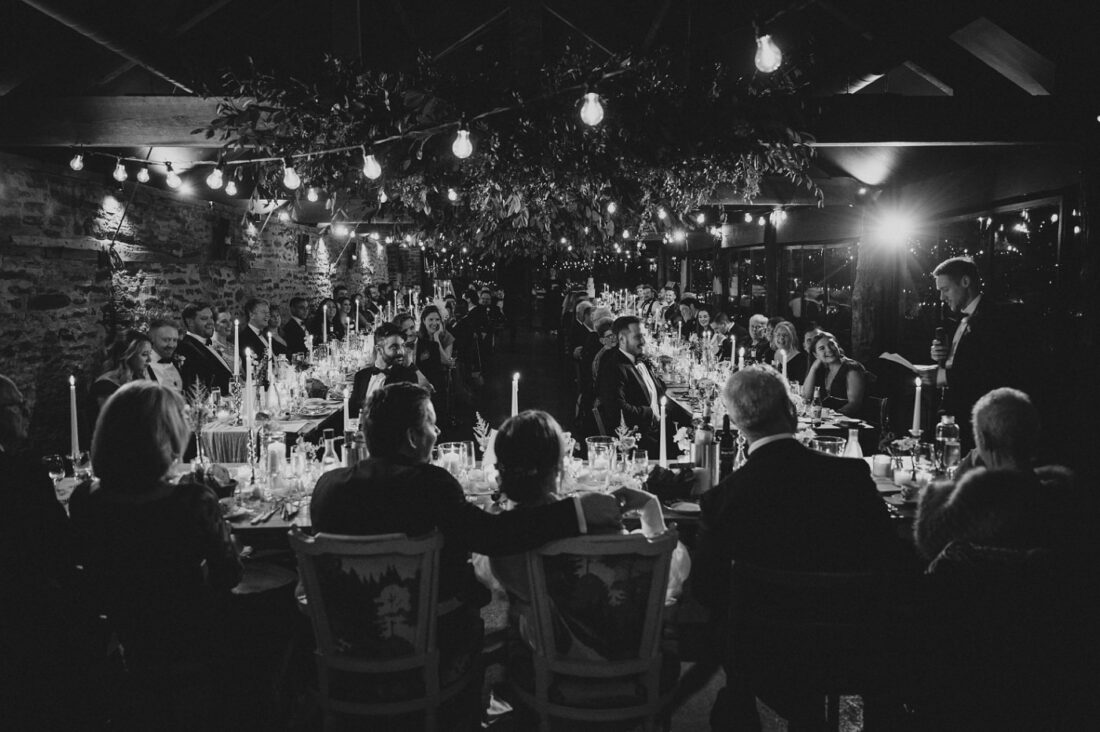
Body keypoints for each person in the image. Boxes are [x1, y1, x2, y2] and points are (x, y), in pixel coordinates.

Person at [309, 384, 622, 719]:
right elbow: (494, 536)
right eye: (431, 424)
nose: (438, 430)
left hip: (348, 643)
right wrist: (576, 511)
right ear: (413, 438)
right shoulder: (430, 485)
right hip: (435, 644)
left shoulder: (327, 489)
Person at [693, 367, 902, 729]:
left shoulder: (723, 499)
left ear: (736, 423)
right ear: (791, 413)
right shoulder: (851, 478)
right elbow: (888, 560)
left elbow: (705, 590)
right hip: (850, 644)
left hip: (762, 654)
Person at [68, 382, 241, 723]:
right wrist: (232, 546)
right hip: (191, 639)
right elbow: (229, 576)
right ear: (166, 436)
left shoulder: (85, 500)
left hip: (125, 636)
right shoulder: (193, 501)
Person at [488, 410, 686, 656]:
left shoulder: (502, 539)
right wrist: (649, 507)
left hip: (547, 655)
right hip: (616, 654)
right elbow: (658, 580)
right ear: (558, 466)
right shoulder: (598, 526)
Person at [0, 375, 88, 729]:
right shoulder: (20, 476)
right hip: (28, 613)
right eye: (17, 406)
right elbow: (62, 546)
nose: (26, 412)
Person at [914, 388, 1078, 562]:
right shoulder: (1063, 507)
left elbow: (929, 543)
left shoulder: (964, 519)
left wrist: (962, 475)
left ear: (984, 440)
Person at [929, 256, 1020, 451]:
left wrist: (940, 376)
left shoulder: (992, 319)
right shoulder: (960, 319)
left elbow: (986, 371)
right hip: (955, 414)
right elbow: (964, 361)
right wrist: (942, 358)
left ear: (965, 282)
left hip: (979, 420)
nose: (941, 298)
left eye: (945, 290)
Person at [595, 316, 692, 455]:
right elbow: (617, 410)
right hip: (639, 441)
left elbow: (660, 394)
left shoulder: (640, 360)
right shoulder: (613, 367)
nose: (644, 341)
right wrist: (650, 413)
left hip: (661, 429)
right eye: (638, 337)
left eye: (644, 336)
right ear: (621, 339)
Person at [347, 322, 431, 416]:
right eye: (394, 347)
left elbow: (407, 417)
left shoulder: (407, 377)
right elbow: (351, 413)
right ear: (379, 349)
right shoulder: (361, 376)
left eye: (402, 345)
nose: (401, 352)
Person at [89, 330, 152, 423]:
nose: (149, 360)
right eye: (144, 355)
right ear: (129, 355)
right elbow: (110, 426)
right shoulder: (104, 387)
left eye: (150, 354)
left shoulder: (135, 378)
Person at [801, 331, 867, 417]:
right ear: (816, 355)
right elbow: (807, 398)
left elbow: (854, 404)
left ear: (838, 346)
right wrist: (813, 369)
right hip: (832, 422)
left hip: (851, 423)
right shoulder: (824, 370)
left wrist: (831, 417)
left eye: (831, 344)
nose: (828, 349)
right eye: (822, 348)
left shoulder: (852, 368)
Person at [177, 302, 232, 395]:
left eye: (211, 318)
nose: (211, 322)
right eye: (204, 319)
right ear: (190, 322)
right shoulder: (186, 348)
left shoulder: (208, 344)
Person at [146, 318, 183, 393]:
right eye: (166, 340)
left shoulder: (176, 363)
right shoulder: (143, 365)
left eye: (175, 340)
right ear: (152, 339)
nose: (172, 345)